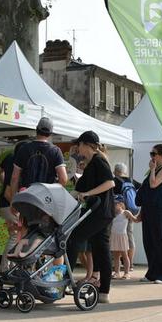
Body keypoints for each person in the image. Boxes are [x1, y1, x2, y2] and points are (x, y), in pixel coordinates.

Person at [65, 130, 115, 303]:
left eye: (78, 144)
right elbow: (80, 188)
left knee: (74, 238)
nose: (77, 147)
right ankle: (104, 292)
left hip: (100, 212)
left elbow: (110, 182)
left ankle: (66, 278)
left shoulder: (99, 160)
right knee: (101, 248)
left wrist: (88, 193)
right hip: (99, 212)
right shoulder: (90, 163)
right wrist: (74, 171)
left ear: (86, 145)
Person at [137, 142, 162, 284]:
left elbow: (154, 184)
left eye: (154, 154)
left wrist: (152, 170)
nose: (151, 157)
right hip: (148, 208)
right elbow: (146, 191)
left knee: (161, 240)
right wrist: (141, 212)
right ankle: (152, 273)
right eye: (151, 154)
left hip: (159, 209)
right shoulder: (153, 169)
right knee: (149, 241)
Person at [10, 117, 67, 198]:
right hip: (46, 199)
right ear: (50, 133)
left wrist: (14, 199)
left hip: (27, 197)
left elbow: (14, 177)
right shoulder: (56, 151)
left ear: (36, 129)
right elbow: (63, 179)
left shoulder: (24, 149)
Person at [0, 140, 27, 272]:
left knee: (13, 235)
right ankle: (6, 269)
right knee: (16, 235)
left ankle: (8, 268)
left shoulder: (9, 157)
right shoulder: (20, 162)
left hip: (4, 202)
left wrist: (3, 182)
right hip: (11, 201)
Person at [110, 195, 139, 279]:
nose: (113, 206)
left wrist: (142, 214)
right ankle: (117, 272)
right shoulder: (112, 214)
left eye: (115, 204)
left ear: (120, 204)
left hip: (122, 236)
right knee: (116, 256)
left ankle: (127, 273)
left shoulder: (126, 212)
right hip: (114, 236)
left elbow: (135, 219)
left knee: (125, 255)